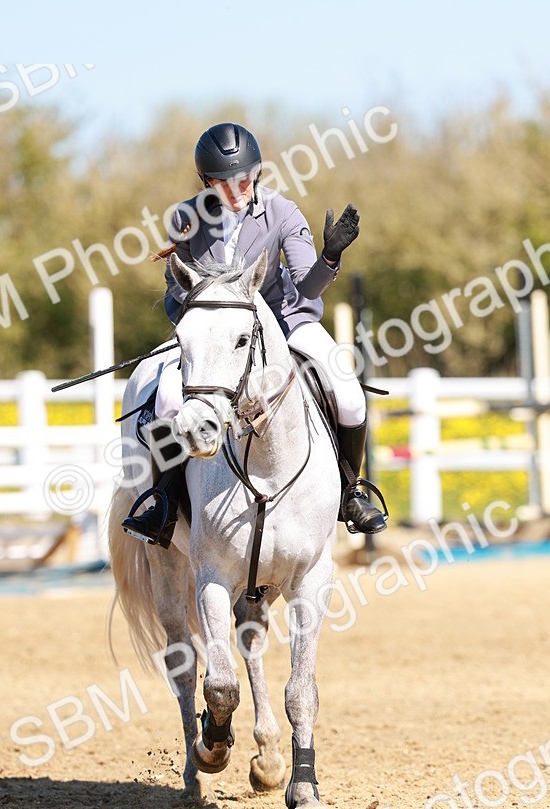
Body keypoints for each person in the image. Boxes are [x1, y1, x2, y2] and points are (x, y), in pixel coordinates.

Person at [122, 121, 387, 548]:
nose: (235, 189)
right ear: (205, 181)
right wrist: (196, 324)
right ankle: (165, 501)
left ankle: (349, 491)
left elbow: (305, 286)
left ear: (257, 173)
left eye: (244, 179)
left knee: (349, 392)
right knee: (170, 397)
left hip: (286, 322)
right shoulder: (186, 218)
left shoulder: (282, 212)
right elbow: (178, 289)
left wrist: (331, 256)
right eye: (222, 182)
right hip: (215, 333)